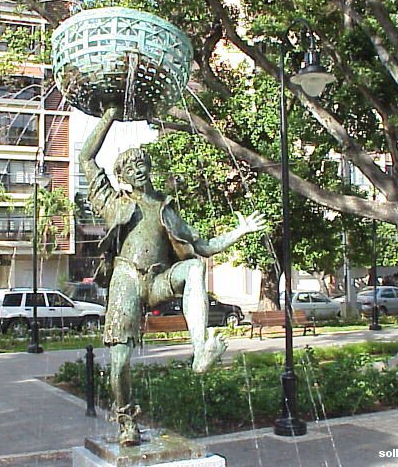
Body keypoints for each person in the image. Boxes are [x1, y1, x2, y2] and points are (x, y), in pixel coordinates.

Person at [79, 107, 266, 445]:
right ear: (121, 175)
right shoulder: (112, 203)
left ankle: (200, 352)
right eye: (130, 166)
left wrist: (239, 232)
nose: (139, 169)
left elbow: (203, 246)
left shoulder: (165, 209)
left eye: (142, 163)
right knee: (119, 361)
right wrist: (109, 115)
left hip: (157, 280)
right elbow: (86, 158)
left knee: (194, 267)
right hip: (125, 279)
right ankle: (126, 421)